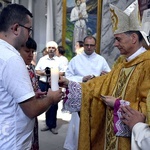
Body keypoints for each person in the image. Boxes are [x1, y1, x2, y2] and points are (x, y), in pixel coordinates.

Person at [59, 1, 150, 150]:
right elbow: (99, 84)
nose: (114, 44)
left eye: (118, 39)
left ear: (133, 38)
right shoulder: (121, 63)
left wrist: (117, 104)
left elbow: (147, 109)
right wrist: (70, 84)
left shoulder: (147, 64)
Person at [0, 4, 63, 149]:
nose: (29, 34)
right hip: (12, 142)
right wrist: (51, 98)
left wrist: (28, 94)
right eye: (29, 29)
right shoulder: (12, 58)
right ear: (16, 28)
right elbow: (32, 110)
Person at [63, 35, 111, 150]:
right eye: (87, 45)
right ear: (83, 45)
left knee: (95, 125)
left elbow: (109, 75)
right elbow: (68, 76)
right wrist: (82, 79)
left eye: (91, 45)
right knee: (78, 125)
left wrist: (105, 76)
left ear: (95, 46)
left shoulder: (101, 60)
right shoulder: (75, 60)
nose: (89, 47)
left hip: (96, 98)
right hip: (80, 96)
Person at [35, 41, 63, 134]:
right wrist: (44, 73)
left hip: (54, 83)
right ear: (47, 49)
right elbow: (37, 71)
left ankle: (53, 125)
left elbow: (63, 72)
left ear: (56, 49)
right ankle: (47, 123)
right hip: (43, 83)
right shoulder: (42, 59)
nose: (51, 49)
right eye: (49, 47)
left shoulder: (59, 60)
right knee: (46, 102)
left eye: (53, 48)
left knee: (54, 103)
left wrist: (53, 73)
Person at [20, 37, 40, 150]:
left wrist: (37, 94)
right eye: (27, 51)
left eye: (33, 52)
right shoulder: (16, 69)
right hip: (20, 113)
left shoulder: (31, 68)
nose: (31, 55)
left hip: (32, 113)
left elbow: (34, 88)